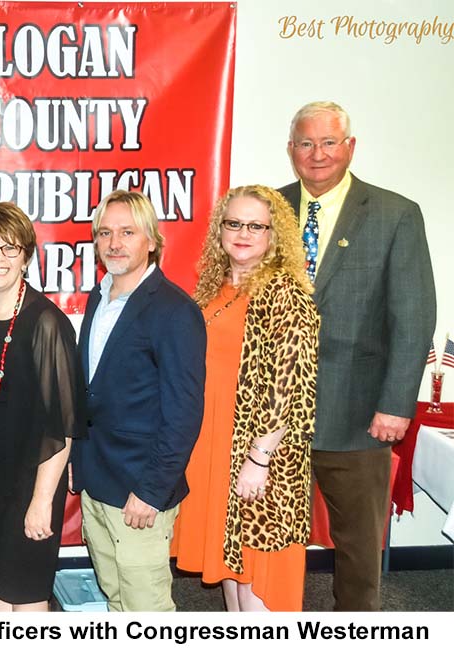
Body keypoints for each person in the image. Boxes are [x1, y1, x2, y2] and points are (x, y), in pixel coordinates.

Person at [278, 101, 435, 611]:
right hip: (275, 416)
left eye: (328, 142)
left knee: (358, 549)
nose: (317, 154)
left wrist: (396, 404)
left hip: (360, 415)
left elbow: (413, 318)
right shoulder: (267, 212)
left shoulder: (395, 214)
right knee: (268, 542)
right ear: (291, 150)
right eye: (306, 143)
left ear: (350, 147)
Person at [171, 185, 319, 611]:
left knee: (257, 570)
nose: (243, 233)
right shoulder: (214, 288)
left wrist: (259, 458)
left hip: (260, 456)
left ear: (275, 235)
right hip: (217, 446)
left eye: (256, 226)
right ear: (220, 229)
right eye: (234, 223)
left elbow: (292, 387)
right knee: (232, 570)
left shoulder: (284, 293)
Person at [70, 189, 206, 612]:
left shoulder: (175, 310)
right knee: (115, 597)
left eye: (127, 232)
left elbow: (184, 413)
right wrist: (78, 462)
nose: (114, 243)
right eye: (105, 233)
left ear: (151, 240)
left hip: (140, 491)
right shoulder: (98, 297)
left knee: (146, 608)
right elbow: (90, 394)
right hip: (98, 481)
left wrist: (151, 491)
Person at [0, 202, 79, 612]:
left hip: (30, 480)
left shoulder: (46, 323)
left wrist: (42, 501)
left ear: (26, 257)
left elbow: (62, 427)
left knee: (25, 593)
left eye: (10, 248)